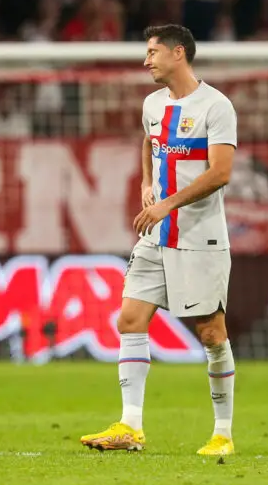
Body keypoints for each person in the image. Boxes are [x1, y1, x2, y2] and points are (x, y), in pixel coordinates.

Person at [80, 25, 238, 456]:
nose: (146, 60)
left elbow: (221, 172)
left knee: (211, 333)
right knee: (130, 319)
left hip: (200, 238)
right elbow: (149, 143)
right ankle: (131, 426)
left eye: (153, 52)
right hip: (157, 235)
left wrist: (167, 203)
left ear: (178, 53)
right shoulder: (152, 104)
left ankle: (223, 433)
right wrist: (146, 184)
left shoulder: (216, 106)